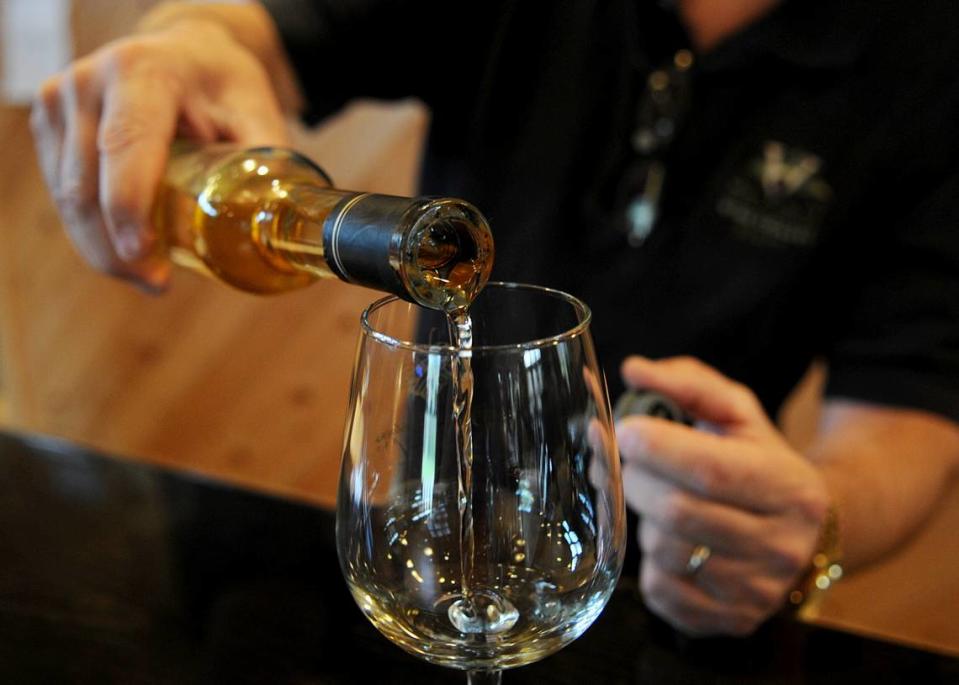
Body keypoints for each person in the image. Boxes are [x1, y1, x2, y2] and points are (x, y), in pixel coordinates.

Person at [30, 0, 959, 637]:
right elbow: (260, 30)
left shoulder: (932, 63)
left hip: (674, 576)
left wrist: (811, 521)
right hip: (423, 532)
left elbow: (909, 415)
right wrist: (184, 39)